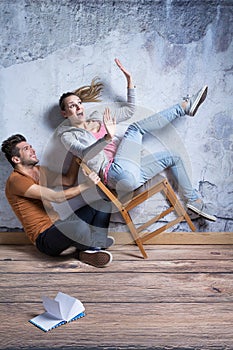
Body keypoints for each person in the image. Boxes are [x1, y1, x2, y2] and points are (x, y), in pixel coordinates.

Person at [56, 58, 216, 222]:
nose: (78, 108)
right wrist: (106, 138)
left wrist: (129, 80)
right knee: (135, 129)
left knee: (174, 157)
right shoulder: (68, 135)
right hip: (113, 174)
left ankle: (195, 202)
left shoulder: (98, 117)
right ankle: (184, 107)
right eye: (72, 106)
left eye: (79, 103)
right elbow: (84, 153)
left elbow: (129, 111)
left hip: (131, 173)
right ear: (64, 113)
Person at [1, 134, 114, 268]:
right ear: (16, 159)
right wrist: (87, 184)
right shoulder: (16, 180)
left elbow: (68, 180)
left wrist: (76, 154)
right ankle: (92, 248)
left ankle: (91, 245)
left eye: (31, 146)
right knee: (78, 226)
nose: (33, 150)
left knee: (103, 204)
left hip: (60, 225)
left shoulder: (39, 171)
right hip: (45, 238)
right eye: (26, 149)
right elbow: (57, 197)